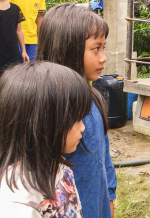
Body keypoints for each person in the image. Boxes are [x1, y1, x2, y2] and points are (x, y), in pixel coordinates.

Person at [37, 3, 117, 218]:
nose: (103, 57)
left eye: (103, 48)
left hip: (97, 204)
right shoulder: (52, 109)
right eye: (95, 48)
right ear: (67, 50)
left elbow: (104, 158)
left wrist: (109, 196)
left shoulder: (95, 97)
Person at [0, 61, 91, 217]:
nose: (83, 127)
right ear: (46, 122)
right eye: (77, 119)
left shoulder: (59, 166)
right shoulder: (18, 200)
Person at [0, 0, 29, 76]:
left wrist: (24, 51)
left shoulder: (15, 8)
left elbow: (19, 30)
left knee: (13, 77)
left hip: (12, 50)